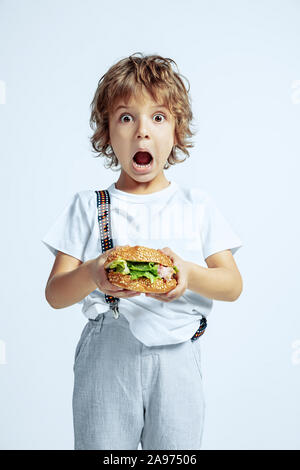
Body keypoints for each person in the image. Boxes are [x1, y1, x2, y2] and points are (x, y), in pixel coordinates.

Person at [42, 52, 243, 450]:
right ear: (106, 133)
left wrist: (187, 274)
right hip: (107, 355)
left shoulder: (196, 205)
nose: (142, 133)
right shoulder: (89, 205)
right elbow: (55, 294)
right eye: (126, 117)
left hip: (178, 357)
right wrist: (94, 273)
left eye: (158, 117)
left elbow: (232, 284)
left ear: (177, 131)